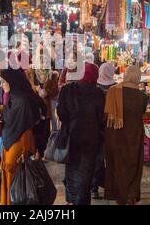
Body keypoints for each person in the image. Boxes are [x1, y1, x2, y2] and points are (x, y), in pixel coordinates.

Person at [57, 63, 105, 205]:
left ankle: (71, 200)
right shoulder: (98, 93)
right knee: (85, 175)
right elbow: (101, 118)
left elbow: (61, 113)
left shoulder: (67, 90)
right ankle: (80, 201)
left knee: (71, 171)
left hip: (70, 139)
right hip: (90, 140)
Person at [0, 69, 46, 205]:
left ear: (12, 82)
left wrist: (26, 151)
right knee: (10, 179)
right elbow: (10, 119)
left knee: (18, 182)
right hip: (9, 143)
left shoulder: (23, 100)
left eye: (3, 82)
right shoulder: (14, 97)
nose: (1, 85)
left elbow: (27, 126)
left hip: (20, 145)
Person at [104, 65, 148, 205]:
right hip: (134, 135)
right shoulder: (142, 96)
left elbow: (106, 116)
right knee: (133, 165)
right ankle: (131, 195)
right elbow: (141, 112)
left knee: (117, 165)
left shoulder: (112, 91)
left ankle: (119, 196)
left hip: (115, 135)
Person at [90, 62, 117, 199]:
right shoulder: (116, 87)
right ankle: (110, 187)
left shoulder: (94, 87)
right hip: (112, 127)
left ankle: (94, 187)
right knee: (112, 158)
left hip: (96, 128)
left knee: (97, 158)